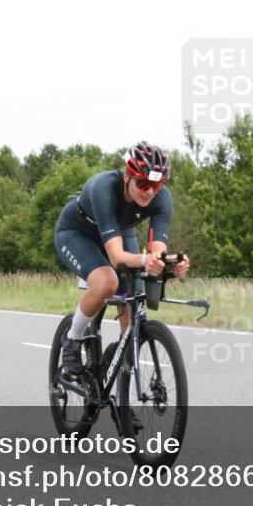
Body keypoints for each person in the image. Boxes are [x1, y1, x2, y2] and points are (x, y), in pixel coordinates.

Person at [54, 141, 190, 376]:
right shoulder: (103, 188)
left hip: (120, 232)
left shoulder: (162, 199)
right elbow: (117, 258)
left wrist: (171, 263)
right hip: (78, 233)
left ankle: (119, 382)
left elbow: (156, 251)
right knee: (107, 282)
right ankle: (72, 338)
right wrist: (145, 260)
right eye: (144, 183)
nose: (149, 191)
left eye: (156, 185)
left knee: (136, 302)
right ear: (128, 176)